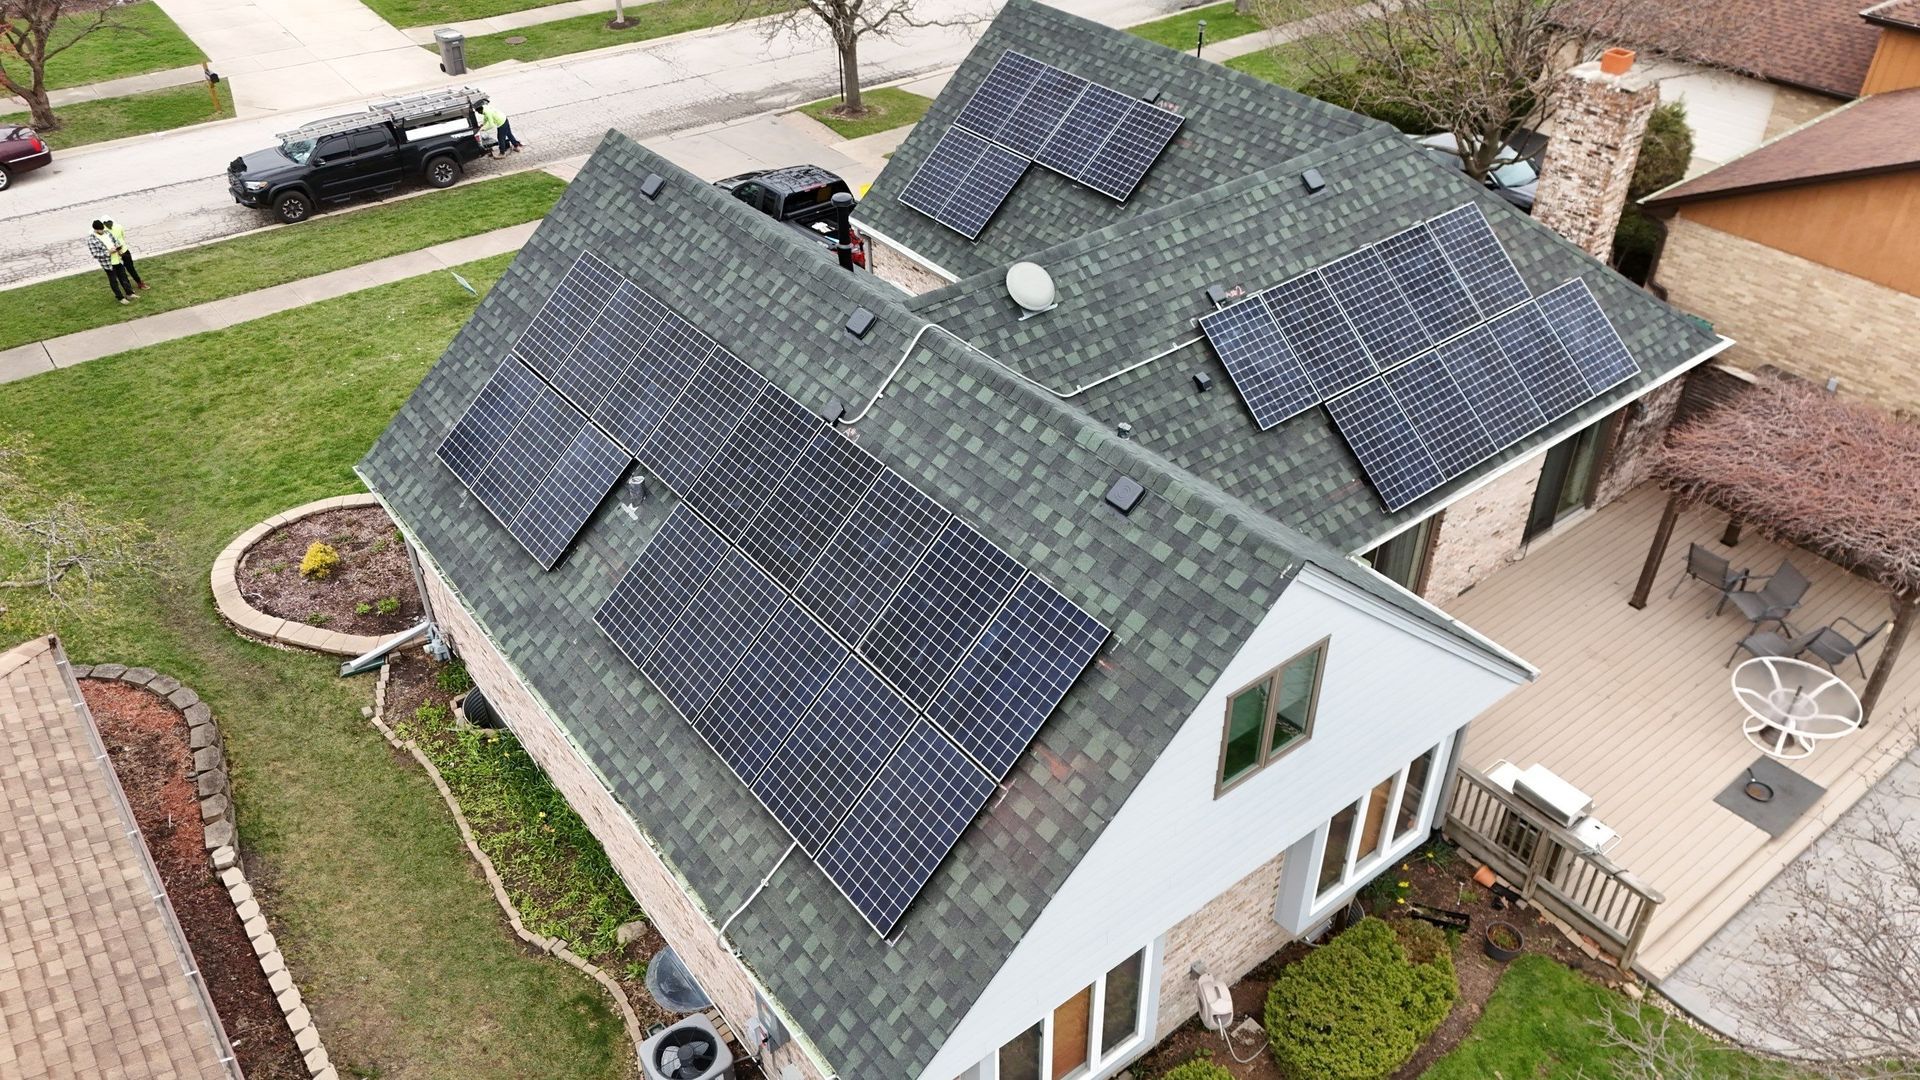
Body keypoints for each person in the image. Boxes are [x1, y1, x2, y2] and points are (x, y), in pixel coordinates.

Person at [87, 221, 135, 305]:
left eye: (102, 229)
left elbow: (115, 241)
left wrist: (118, 248)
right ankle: (120, 298)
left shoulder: (107, 233)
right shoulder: (91, 240)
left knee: (123, 277)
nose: (102, 231)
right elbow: (95, 254)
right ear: (95, 230)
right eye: (100, 230)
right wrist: (108, 252)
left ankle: (129, 293)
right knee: (114, 281)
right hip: (108, 263)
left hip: (117, 259)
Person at [102, 218, 148, 291]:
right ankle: (138, 284)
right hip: (121, 251)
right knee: (128, 269)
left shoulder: (105, 231)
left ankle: (132, 287)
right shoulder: (116, 227)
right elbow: (122, 237)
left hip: (117, 253)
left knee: (123, 272)